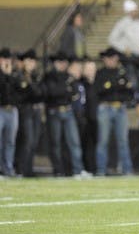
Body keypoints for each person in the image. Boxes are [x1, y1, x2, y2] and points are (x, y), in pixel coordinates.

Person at [43, 52, 91, 178]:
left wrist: (63, 91)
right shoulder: (49, 76)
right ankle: (58, 171)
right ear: (55, 63)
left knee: (74, 141)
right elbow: (51, 92)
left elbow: (74, 93)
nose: (62, 64)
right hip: (54, 111)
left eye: (64, 62)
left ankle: (78, 170)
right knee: (56, 143)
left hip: (68, 110)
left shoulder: (69, 77)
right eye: (60, 62)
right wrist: (65, 91)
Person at [94, 47, 135, 176]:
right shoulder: (100, 73)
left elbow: (129, 92)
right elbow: (99, 90)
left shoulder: (123, 73)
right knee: (103, 141)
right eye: (108, 58)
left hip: (120, 108)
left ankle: (127, 170)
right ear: (104, 59)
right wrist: (117, 85)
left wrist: (112, 86)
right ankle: (101, 170)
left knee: (123, 141)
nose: (110, 61)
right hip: (105, 108)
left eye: (113, 58)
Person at [14, 49, 43, 177]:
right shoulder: (19, 76)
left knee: (34, 140)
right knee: (27, 140)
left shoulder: (36, 76)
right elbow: (24, 94)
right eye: (29, 61)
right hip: (25, 110)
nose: (31, 63)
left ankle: (29, 169)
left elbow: (40, 93)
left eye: (33, 61)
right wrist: (30, 83)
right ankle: (21, 168)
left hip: (35, 110)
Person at [108, 0, 139, 91]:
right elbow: (112, 39)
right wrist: (124, 49)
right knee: (132, 82)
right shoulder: (123, 23)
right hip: (129, 59)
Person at [0, 48, 19, 177]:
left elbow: (17, 91)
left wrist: (9, 75)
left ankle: (9, 168)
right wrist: (5, 75)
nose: (7, 61)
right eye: (4, 58)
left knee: (10, 141)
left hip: (12, 110)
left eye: (8, 59)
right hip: (0, 109)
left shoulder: (14, 74)